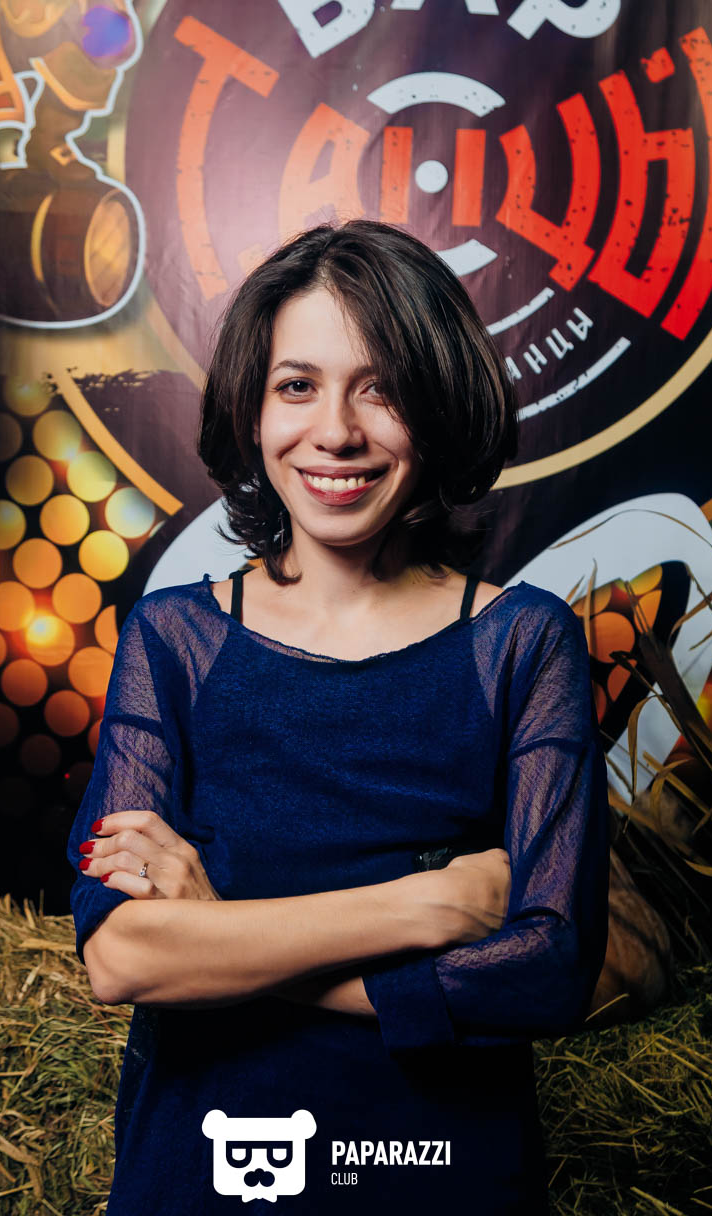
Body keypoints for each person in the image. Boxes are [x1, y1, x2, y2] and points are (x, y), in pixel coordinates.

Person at [65, 219, 611, 1213]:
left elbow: (549, 971)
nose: (336, 432)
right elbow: (120, 953)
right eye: (297, 385)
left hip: (438, 1178)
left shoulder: (522, 644)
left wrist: (216, 937)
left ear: (438, 404)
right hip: (207, 1173)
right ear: (251, 407)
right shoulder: (173, 641)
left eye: (381, 388)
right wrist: (425, 908)